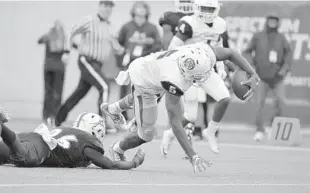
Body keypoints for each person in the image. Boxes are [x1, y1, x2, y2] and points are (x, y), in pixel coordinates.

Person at [101, 41, 260, 173]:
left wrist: (252, 73)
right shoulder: (173, 80)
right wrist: (193, 156)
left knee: (144, 99)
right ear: (187, 73)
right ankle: (117, 149)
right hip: (144, 79)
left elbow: (231, 53)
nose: (203, 78)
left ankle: (113, 108)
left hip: (154, 67)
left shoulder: (203, 53)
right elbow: (176, 123)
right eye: (198, 76)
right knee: (147, 134)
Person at [160, 0, 231, 155]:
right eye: (204, 8)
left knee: (225, 98)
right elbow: (173, 48)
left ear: (216, 9)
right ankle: (170, 133)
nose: (206, 12)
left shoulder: (219, 24)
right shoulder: (188, 23)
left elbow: (218, 47)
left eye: (210, 8)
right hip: (189, 71)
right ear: (197, 8)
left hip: (207, 71)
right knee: (190, 116)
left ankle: (210, 131)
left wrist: (220, 66)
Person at [0, 102, 144, 169]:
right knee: (26, 158)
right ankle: (0, 123)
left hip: (32, 136)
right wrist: (134, 163)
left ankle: (1, 122)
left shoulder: (67, 130)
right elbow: (111, 165)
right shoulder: (88, 143)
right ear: (95, 132)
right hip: (42, 148)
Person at [55, 1, 125, 134]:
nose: (107, 9)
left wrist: (123, 51)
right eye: (105, 5)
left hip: (98, 64)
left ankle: (57, 119)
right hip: (86, 60)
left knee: (79, 93)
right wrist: (66, 52)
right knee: (104, 87)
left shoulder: (109, 27)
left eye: (110, 6)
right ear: (100, 6)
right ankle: (102, 124)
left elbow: (115, 46)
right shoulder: (89, 21)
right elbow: (71, 32)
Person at [243, 12, 292, 141]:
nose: (272, 23)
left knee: (281, 103)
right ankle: (259, 130)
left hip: (278, 77)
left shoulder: (282, 38)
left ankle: (272, 125)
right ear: (267, 22)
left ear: (278, 23)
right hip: (261, 76)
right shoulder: (258, 36)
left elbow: (288, 55)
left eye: (275, 21)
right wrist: (251, 66)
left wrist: (284, 69)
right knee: (259, 104)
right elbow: (247, 51)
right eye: (270, 20)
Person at [117, 1, 162, 120]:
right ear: (133, 10)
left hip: (144, 65)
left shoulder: (152, 28)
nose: (141, 10)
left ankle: (140, 119)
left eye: (143, 8)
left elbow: (158, 45)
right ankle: (123, 117)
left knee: (142, 91)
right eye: (138, 7)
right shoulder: (127, 26)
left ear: (147, 11)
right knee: (125, 90)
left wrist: (146, 54)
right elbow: (119, 43)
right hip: (129, 63)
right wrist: (122, 59)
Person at [38, 20, 69, 127]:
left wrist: (49, 32)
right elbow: (73, 46)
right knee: (57, 93)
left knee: (48, 92)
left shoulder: (48, 37)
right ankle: (55, 117)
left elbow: (39, 40)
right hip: (59, 69)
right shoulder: (65, 39)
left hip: (48, 67)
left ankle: (46, 117)